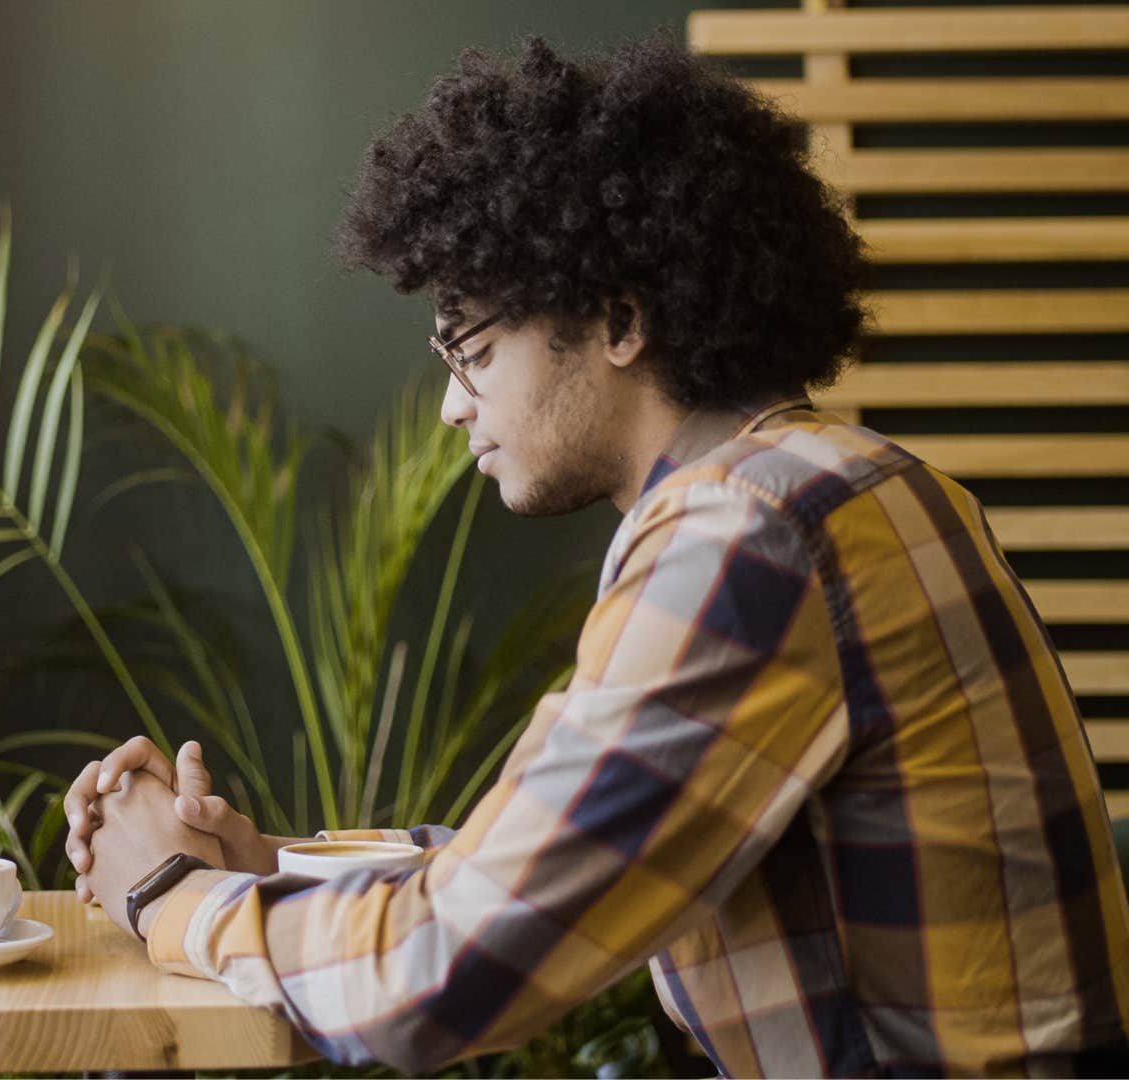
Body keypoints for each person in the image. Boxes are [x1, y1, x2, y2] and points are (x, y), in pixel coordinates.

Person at [63, 37, 1129, 1077]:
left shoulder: (746, 533)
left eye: (473, 350)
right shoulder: (859, 481)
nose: (448, 407)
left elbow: (451, 973)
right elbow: (550, 862)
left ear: (620, 318)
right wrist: (267, 868)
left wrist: (170, 895)